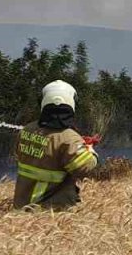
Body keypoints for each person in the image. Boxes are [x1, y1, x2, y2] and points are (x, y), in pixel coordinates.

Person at [13, 80, 99, 210]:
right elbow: (84, 167)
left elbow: (38, 151)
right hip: (48, 211)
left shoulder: (27, 129)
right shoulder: (69, 138)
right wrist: (90, 149)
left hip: (21, 206)